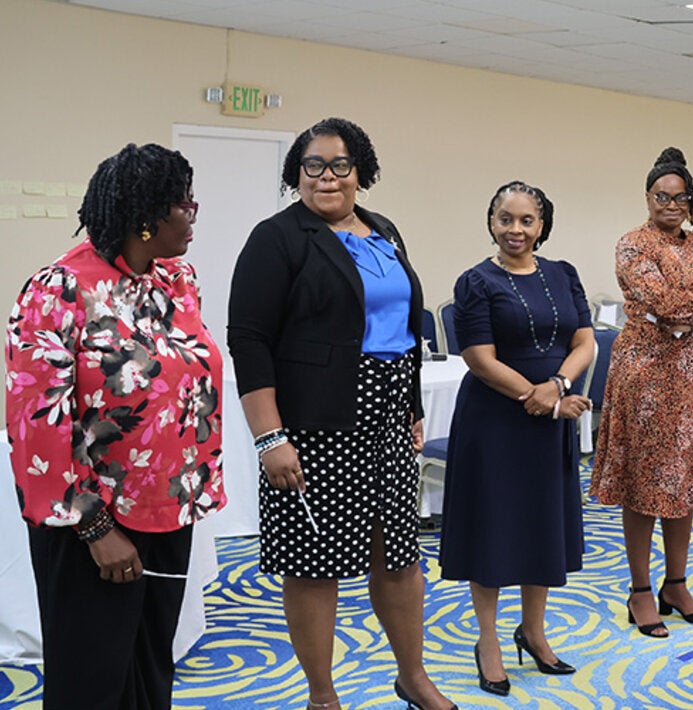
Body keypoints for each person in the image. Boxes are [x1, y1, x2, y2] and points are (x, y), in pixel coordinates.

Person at [227, 118, 454, 710]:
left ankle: (412, 676)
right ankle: (322, 696)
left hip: (388, 417)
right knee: (313, 563)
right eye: (313, 166)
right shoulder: (277, 238)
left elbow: (402, 330)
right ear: (296, 173)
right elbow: (249, 341)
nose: (327, 177)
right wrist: (269, 437)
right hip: (314, 424)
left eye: (340, 165)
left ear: (361, 172)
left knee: (398, 553)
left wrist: (410, 407)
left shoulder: (385, 230)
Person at [6, 143, 225, 710]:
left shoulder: (177, 281)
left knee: (151, 670)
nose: (193, 216)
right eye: (183, 204)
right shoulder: (59, 290)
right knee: (92, 680)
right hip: (94, 524)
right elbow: (37, 424)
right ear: (145, 217)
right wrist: (94, 526)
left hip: (168, 508)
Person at [442, 181, 595, 696]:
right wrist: (539, 396)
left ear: (541, 225)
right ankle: (488, 641)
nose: (516, 229)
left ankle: (533, 630)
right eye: (505, 218)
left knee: (541, 526)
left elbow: (584, 341)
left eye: (527, 220)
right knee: (493, 528)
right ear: (491, 222)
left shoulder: (563, 274)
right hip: (494, 420)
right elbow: (478, 359)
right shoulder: (476, 281)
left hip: (549, 416)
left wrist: (557, 387)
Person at [590, 148, 693, 635]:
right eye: (662, 196)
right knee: (644, 484)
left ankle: (676, 584)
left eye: (680, 198)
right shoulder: (632, 245)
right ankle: (640, 590)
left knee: (687, 481)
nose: (671, 205)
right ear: (647, 197)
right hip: (646, 376)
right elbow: (663, 301)